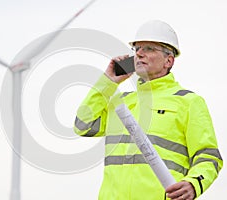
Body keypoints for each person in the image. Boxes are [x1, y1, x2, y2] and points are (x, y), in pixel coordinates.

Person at [74, 20, 223, 200]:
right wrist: (108, 81)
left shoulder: (188, 102)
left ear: (169, 60)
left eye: (149, 49)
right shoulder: (119, 102)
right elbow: (83, 125)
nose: (139, 54)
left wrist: (194, 183)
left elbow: (208, 156)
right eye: (136, 49)